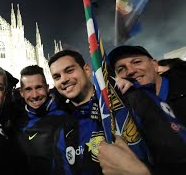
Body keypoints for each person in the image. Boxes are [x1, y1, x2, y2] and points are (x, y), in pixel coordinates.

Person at [48, 50, 150, 174]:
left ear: (87, 70)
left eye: (69, 70)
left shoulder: (127, 102)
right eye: (57, 77)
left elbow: (173, 156)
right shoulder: (63, 131)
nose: (63, 79)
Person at [105, 45, 186, 174]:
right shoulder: (127, 107)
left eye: (137, 62)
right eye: (121, 69)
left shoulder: (182, 84)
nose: (130, 71)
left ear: (154, 65)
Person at [16, 65, 66, 174]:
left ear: (47, 88)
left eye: (39, 87)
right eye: (28, 89)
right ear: (21, 93)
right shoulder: (16, 121)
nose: (34, 95)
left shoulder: (67, 110)